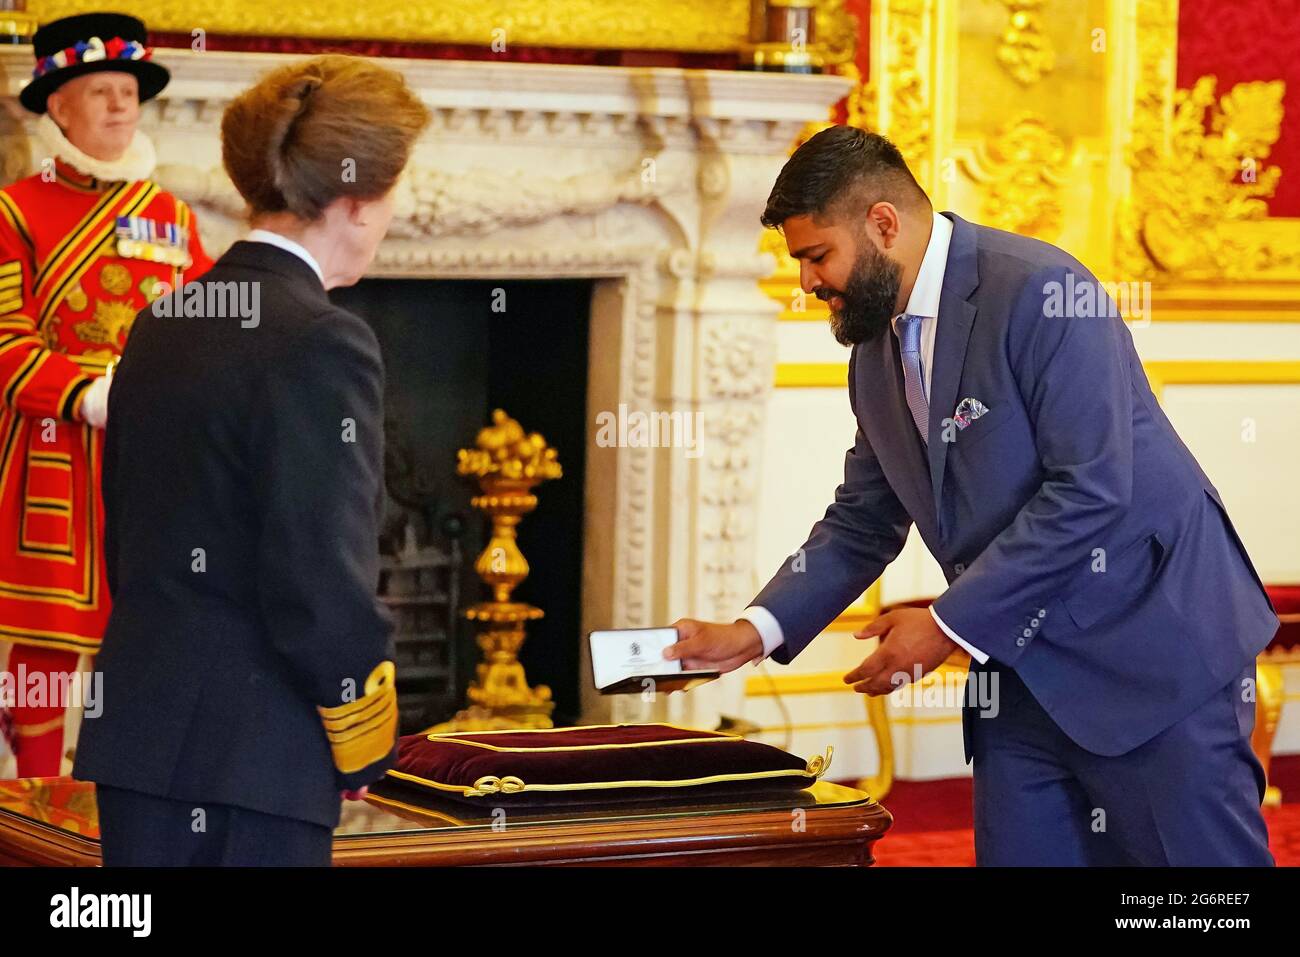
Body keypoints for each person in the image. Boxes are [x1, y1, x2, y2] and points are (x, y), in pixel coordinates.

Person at [667, 126, 1278, 866]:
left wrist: (947, 626)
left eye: (815, 255)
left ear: (883, 224)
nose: (806, 282)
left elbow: (1091, 490)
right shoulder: (871, 349)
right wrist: (753, 631)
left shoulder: (1045, 291)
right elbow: (864, 518)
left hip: (1153, 654)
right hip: (1018, 678)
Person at [73, 54, 431, 866]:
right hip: (255, 760)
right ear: (352, 202)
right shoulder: (324, 340)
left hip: (138, 740)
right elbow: (317, 576)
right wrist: (363, 736)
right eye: (392, 192)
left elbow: (127, 541)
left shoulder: (165, 316)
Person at [0, 12, 212, 777]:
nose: (123, 106)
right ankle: (32, 805)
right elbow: (3, 341)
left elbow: (212, 328)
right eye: (103, 92)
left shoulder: (174, 217)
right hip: (53, 453)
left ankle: (126, 797)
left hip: (149, 462)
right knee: (48, 637)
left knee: (147, 631)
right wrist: (85, 394)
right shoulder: (15, 211)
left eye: (130, 91)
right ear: (59, 107)